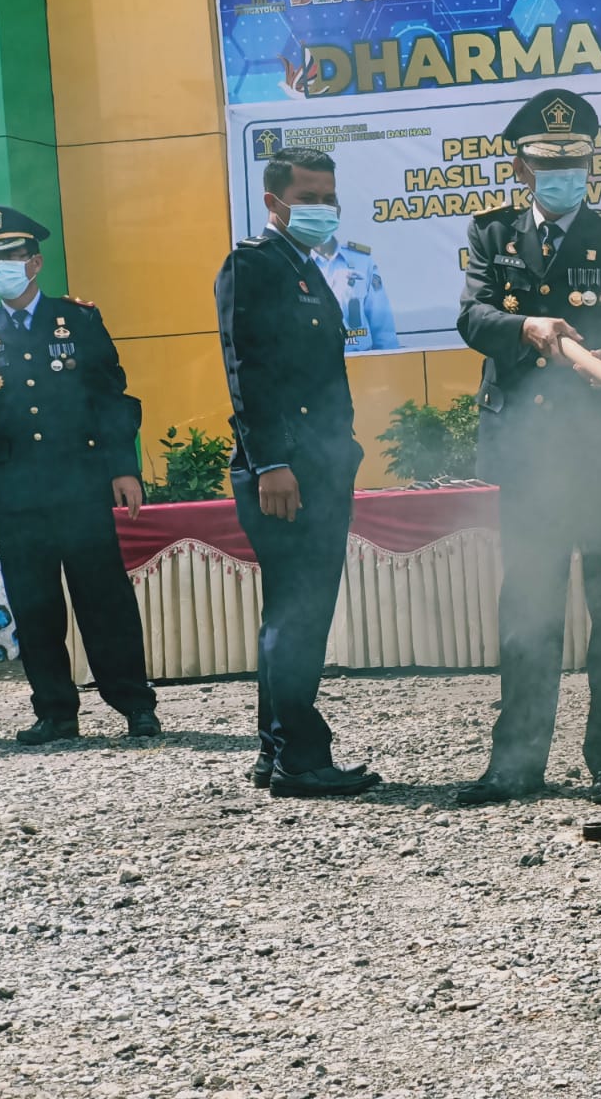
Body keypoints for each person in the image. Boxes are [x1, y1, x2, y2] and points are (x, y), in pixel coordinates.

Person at [455, 88, 601, 807]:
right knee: (529, 610)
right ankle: (515, 764)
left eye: (576, 162)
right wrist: (527, 328)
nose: (564, 173)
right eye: (549, 164)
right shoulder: (492, 236)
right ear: (522, 168)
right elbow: (475, 316)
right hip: (531, 459)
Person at [0, 205, 159, 744]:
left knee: (104, 599)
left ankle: (135, 704)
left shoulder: (79, 320)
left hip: (81, 486)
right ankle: (55, 711)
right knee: (35, 605)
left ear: (35, 261)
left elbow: (111, 401)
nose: (0, 265)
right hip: (17, 495)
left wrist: (124, 468)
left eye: (10, 256)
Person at [215, 147, 378, 799]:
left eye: (329, 196)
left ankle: (273, 752)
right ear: (274, 201)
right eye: (308, 196)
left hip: (320, 466)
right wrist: (271, 461)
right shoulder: (254, 265)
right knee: (299, 614)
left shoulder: (303, 268)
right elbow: (246, 370)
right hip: (285, 474)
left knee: (294, 614)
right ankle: (300, 761)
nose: (322, 208)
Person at [311, 235, 400, 352]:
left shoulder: (361, 261)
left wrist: (389, 362)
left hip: (359, 362)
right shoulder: (289, 262)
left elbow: (382, 326)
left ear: (337, 215)